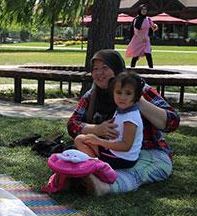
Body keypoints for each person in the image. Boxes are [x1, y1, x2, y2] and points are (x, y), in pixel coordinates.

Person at [67, 49, 180, 196]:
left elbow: (173, 121)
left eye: (105, 68)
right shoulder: (92, 95)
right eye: (95, 69)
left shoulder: (139, 90)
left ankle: (102, 185)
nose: (99, 73)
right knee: (78, 144)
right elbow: (72, 124)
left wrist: (138, 101)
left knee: (137, 171)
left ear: (116, 68)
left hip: (147, 151)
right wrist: (96, 129)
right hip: (110, 152)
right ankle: (92, 172)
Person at [74, 72, 144, 170]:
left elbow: (126, 146)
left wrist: (99, 141)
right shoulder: (123, 109)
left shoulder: (130, 118)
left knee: (80, 140)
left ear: (136, 96)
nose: (122, 97)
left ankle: (97, 168)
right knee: (83, 139)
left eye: (128, 93)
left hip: (122, 159)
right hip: (118, 153)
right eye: (119, 92)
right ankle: (96, 163)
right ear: (113, 92)